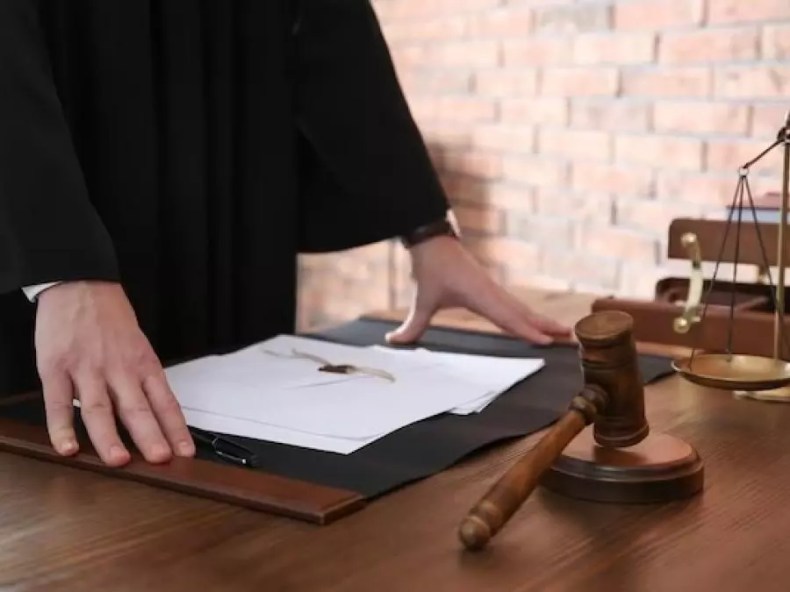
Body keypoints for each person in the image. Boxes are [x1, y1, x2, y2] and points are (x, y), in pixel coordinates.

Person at [0, 0, 570, 468]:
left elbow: (331, 23)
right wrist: (58, 261)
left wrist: (424, 227)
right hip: (51, 210)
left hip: (228, 200)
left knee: (246, 478)